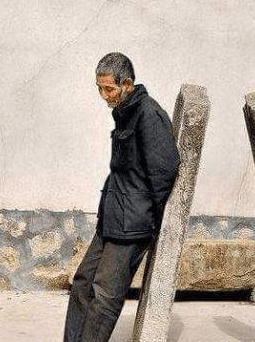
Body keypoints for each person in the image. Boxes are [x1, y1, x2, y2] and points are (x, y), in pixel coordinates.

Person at [63, 52, 180, 342]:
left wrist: (149, 220)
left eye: (109, 89)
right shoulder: (126, 111)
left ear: (127, 84)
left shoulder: (148, 115)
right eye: (99, 88)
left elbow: (165, 171)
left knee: (105, 297)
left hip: (132, 223)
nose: (104, 96)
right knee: (81, 283)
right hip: (112, 218)